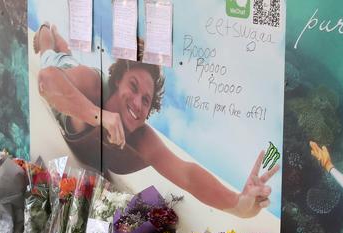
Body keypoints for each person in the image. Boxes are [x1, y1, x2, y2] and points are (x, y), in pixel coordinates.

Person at [34, 23, 278, 218]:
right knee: (51, 55)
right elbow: (46, 81)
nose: (138, 103)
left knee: (66, 56)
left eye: (146, 99)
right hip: (65, 79)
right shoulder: (92, 84)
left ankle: (61, 44)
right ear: (118, 81)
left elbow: (187, 174)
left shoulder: (141, 137)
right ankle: (49, 31)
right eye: (133, 86)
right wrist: (100, 117)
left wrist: (238, 204)